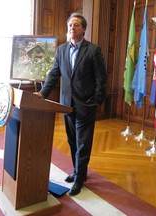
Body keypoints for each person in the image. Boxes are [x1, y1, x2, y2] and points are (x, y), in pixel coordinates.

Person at [35, 12, 107, 196]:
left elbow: (101, 79)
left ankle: (80, 179)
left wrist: (96, 101)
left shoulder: (93, 50)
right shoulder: (61, 50)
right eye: (69, 25)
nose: (71, 28)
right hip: (67, 105)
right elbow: (53, 75)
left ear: (83, 29)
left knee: (83, 143)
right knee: (72, 141)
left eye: (76, 25)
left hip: (86, 105)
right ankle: (77, 171)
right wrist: (42, 94)